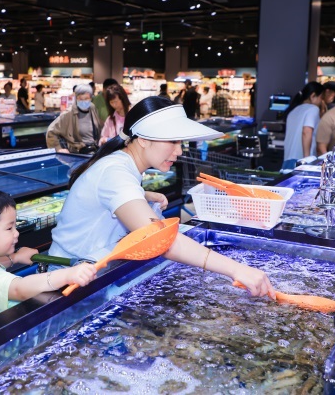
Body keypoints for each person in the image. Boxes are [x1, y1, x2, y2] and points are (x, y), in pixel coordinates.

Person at [48, 96, 275, 298]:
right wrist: (237, 269)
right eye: (173, 141)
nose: (179, 151)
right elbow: (160, 240)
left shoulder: (122, 165)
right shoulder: (115, 172)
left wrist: (142, 195)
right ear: (143, 139)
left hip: (95, 274)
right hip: (69, 284)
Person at [0, 187, 96, 338]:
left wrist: (16, 258)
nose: (16, 233)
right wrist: (67, 275)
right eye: (9, 228)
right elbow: (20, 289)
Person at [46, 83, 101, 154]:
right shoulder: (69, 113)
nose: (84, 101)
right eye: (80, 99)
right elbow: (51, 131)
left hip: (94, 151)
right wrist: (58, 148)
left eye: (86, 98)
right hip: (78, 154)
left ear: (91, 98)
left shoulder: (92, 108)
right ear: (76, 98)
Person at [282, 82, 323, 168]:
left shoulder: (293, 110)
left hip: (287, 160)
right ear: (313, 96)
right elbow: (306, 131)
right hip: (300, 161)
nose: (321, 101)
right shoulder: (313, 109)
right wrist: (306, 159)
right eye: (321, 97)